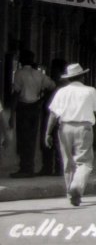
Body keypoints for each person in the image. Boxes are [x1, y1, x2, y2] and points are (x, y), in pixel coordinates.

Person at [44, 63, 96, 207]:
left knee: (67, 162)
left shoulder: (61, 92)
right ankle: (76, 187)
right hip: (84, 128)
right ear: (82, 76)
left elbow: (53, 114)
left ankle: (69, 191)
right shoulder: (90, 91)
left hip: (64, 128)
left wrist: (47, 133)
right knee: (84, 161)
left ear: (68, 78)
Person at [11, 49, 55, 178]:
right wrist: (41, 99)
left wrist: (12, 111)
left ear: (22, 60)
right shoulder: (39, 74)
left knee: (23, 138)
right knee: (32, 138)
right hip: (35, 109)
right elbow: (52, 86)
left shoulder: (19, 73)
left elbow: (16, 93)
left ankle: (25, 168)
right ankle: (29, 167)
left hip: (23, 109)